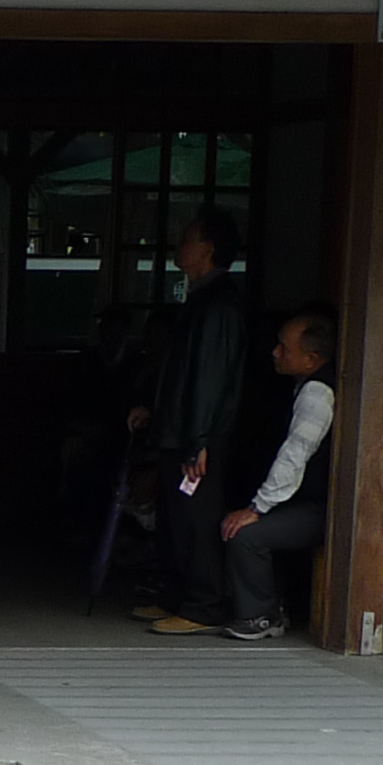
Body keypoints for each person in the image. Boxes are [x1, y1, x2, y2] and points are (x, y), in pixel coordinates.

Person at [166, 309, 335, 642]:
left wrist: (257, 508)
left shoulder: (317, 394)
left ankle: (262, 616)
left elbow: (295, 455)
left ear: (311, 359)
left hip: (320, 507)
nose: (275, 352)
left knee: (245, 534)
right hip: (303, 500)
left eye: (284, 347)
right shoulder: (301, 385)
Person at [125, 208, 249, 628]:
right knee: (174, 520)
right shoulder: (200, 298)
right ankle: (176, 597)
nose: (180, 246)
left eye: (188, 238)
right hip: (180, 430)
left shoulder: (219, 304)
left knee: (196, 521)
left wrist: (199, 440)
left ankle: (203, 606)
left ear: (207, 248)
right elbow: (181, 373)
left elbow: (209, 379)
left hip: (198, 437)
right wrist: (156, 411)